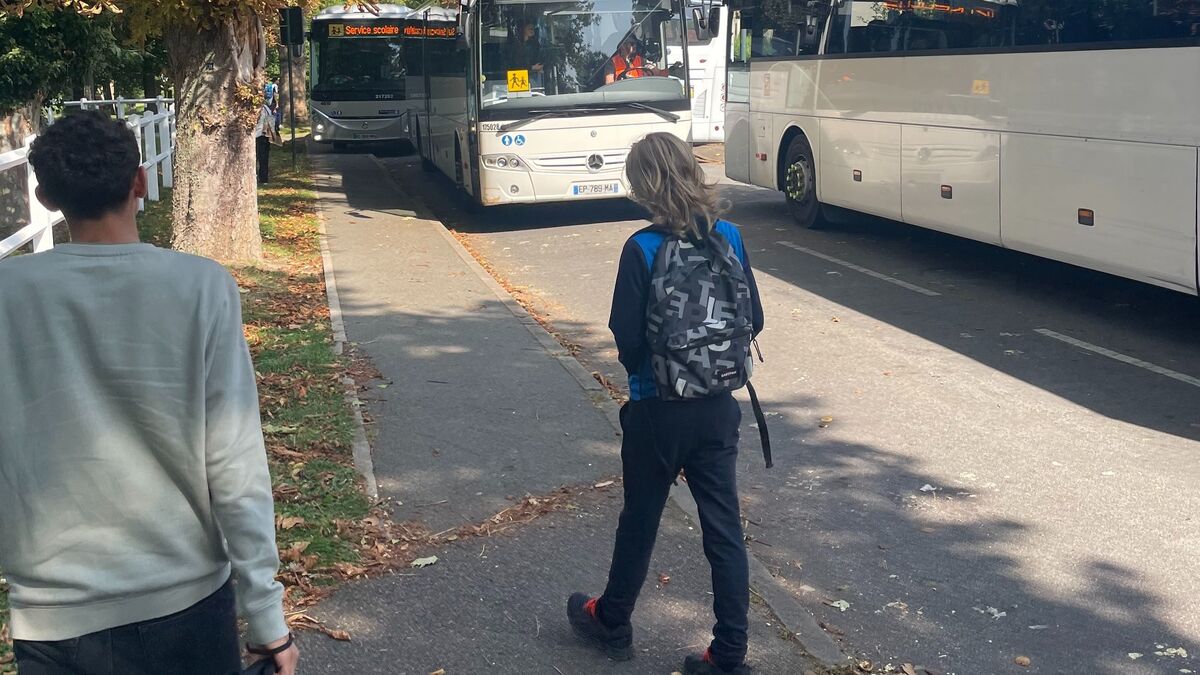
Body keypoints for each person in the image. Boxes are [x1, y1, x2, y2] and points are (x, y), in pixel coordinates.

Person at [3, 111, 298, 675]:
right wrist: (265, 616)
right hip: (186, 604)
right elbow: (234, 461)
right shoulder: (201, 286)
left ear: (43, 194)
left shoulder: (8, 295)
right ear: (140, 181)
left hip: (52, 615)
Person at [567, 132, 764, 675]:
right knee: (723, 529)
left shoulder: (643, 248)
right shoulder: (731, 236)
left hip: (658, 411)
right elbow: (757, 320)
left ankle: (612, 620)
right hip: (720, 408)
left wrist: (653, 380)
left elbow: (627, 337)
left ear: (643, 187)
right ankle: (727, 656)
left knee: (641, 519)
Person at [254, 100, 277, 184]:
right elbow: (271, 123)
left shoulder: (252, 109)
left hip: (256, 136)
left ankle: (259, 177)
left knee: (256, 158)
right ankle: (264, 178)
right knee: (263, 159)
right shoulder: (266, 108)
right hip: (264, 136)